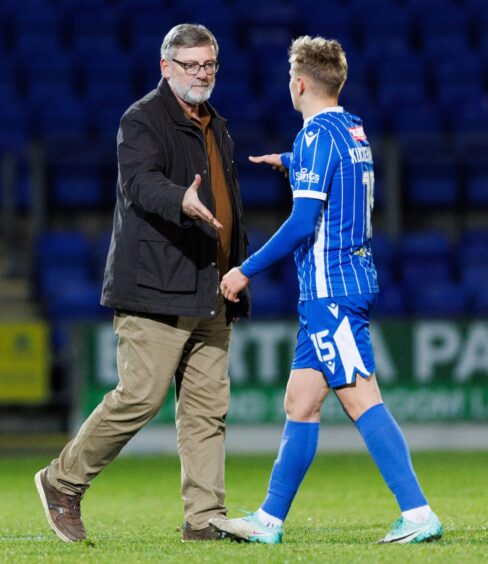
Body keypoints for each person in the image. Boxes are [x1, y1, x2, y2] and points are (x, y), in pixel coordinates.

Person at [209, 36, 442, 545]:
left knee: (362, 399)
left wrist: (245, 269)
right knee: (301, 400)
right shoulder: (351, 129)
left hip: (331, 290)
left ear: (299, 83)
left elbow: (301, 223)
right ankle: (269, 521)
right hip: (345, 282)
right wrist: (291, 162)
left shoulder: (318, 135)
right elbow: (338, 182)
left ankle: (419, 512)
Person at [35, 23, 249, 543]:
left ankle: (204, 518)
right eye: (191, 64)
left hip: (211, 287)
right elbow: (140, 185)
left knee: (206, 410)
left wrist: (236, 270)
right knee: (139, 398)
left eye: (209, 65)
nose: (202, 73)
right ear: (165, 67)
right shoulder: (141, 120)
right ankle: (62, 481)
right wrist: (180, 198)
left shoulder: (215, 124)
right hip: (156, 287)